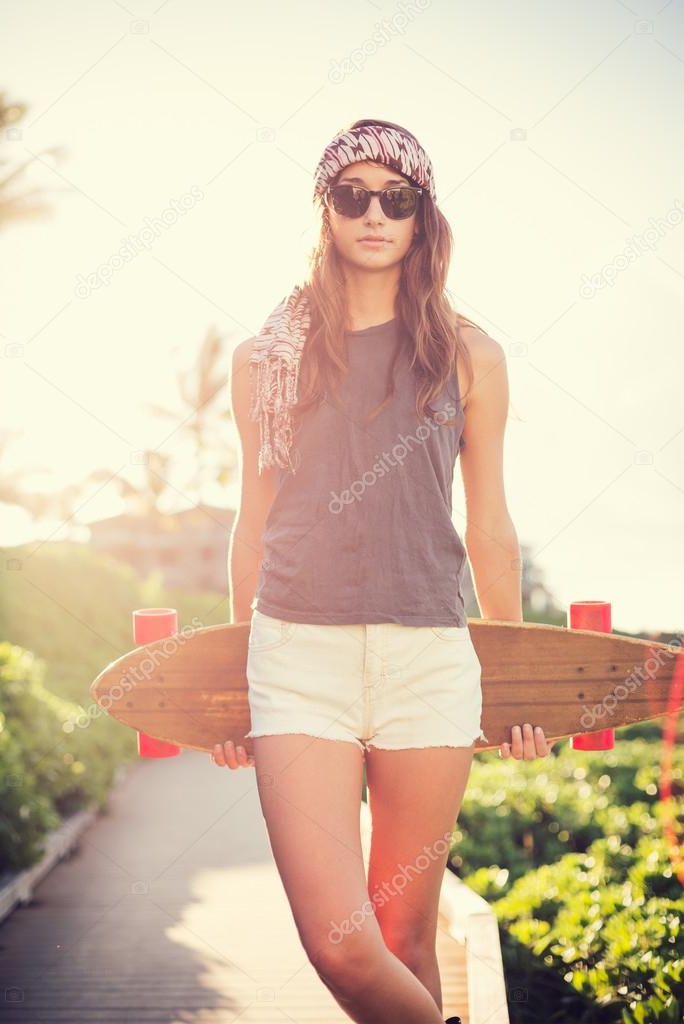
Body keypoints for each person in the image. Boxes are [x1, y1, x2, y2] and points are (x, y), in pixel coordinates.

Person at [213, 118, 555, 1024]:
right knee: (340, 941)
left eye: (395, 199)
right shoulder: (264, 361)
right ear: (324, 211)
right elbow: (253, 525)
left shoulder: (469, 354)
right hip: (296, 659)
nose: (373, 214)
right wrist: (223, 684)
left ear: (421, 217)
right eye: (351, 195)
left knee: (404, 938)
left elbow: (489, 527)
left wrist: (516, 677)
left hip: (428, 661)